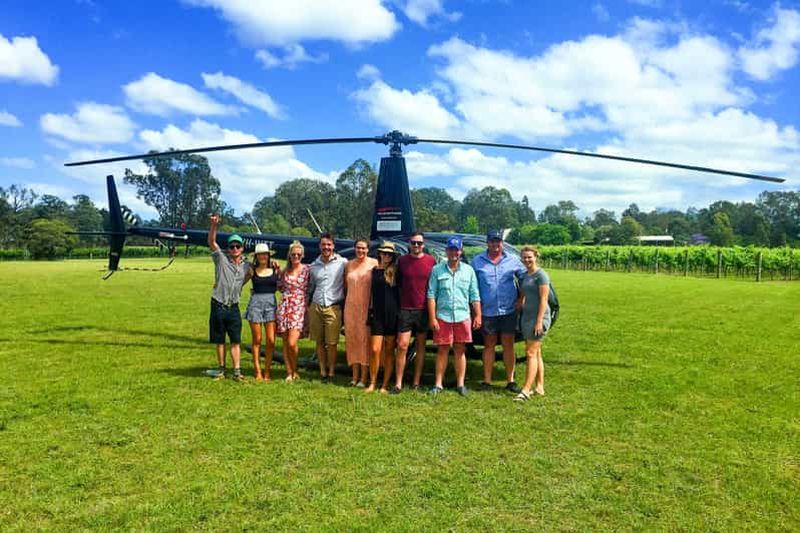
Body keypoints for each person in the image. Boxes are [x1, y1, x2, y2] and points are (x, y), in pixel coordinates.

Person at [472, 230, 526, 393]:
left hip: (508, 309)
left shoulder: (513, 261)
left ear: (502, 243)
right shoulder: (477, 261)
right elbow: (472, 286)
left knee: (508, 344)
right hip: (487, 310)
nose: (495, 245)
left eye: (498, 242)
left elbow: (526, 279)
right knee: (489, 344)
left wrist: (521, 299)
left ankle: (510, 380)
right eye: (492, 242)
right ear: (487, 243)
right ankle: (487, 381)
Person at [427, 236, 481, 396]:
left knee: (460, 350)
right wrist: (432, 318)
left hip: (462, 316)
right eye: (450, 249)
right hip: (443, 316)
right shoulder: (437, 270)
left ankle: (460, 384)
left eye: (456, 250)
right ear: (446, 251)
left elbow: (474, 295)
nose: (453, 253)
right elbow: (431, 295)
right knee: (442, 350)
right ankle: (438, 384)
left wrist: (478, 315)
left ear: (461, 251)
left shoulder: (468, 271)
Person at [207, 214, 249, 381]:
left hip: (233, 307)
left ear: (242, 248)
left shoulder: (246, 265)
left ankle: (237, 371)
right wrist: (213, 226)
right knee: (220, 340)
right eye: (231, 246)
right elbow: (211, 242)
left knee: (235, 341)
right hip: (218, 305)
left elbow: (257, 271)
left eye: (237, 246)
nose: (234, 249)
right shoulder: (221, 259)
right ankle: (222, 369)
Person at [393, 232, 436, 393]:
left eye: (419, 243)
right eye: (413, 243)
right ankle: (398, 382)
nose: (416, 246)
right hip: (405, 309)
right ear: (409, 243)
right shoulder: (402, 261)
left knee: (420, 345)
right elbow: (397, 283)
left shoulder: (431, 261)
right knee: (402, 345)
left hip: (423, 310)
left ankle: (416, 381)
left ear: (423, 244)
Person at [307, 233, 346, 383]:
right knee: (319, 341)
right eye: (323, 245)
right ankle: (322, 371)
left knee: (332, 343)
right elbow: (310, 287)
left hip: (333, 307)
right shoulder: (313, 265)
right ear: (319, 246)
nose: (326, 247)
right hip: (316, 306)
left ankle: (331, 372)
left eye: (329, 245)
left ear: (333, 246)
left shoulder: (342, 263)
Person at [515, 246, 551, 401]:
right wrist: (520, 302)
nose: (527, 260)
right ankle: (540, 386)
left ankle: (525, 389)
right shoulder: (525, 275)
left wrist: (539, 322)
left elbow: (544, 299)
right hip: (527, 317)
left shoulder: (541, 276)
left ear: (536, 257)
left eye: (529, 257)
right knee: (536, 353)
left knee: (530, 353)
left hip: (539, 319)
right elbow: (523, 291)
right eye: (524, 258)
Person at [366, 241, 401, 393]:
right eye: (384, 253)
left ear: (393, 256)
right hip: (377, 314)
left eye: (389, 254)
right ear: (379, 253)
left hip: (393, 315)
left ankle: (385, 384)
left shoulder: (397, 271)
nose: (386, 256)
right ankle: (372, 382)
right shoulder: (374, 271)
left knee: (389, 350)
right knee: (374, 350)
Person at [344, 238, 377, 387]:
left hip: (366, 308)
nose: (360, 251)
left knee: (364, 341)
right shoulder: (349, 265)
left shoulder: (374, 264)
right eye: (358, 248)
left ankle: (364, 378)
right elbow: (345, 286)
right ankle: (354, 376)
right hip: (350, 308)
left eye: (363, 248)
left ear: (368, 249)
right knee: (352, 340)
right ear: (354, 248)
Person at [243, 243, 279, 381]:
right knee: (257, 339)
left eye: (265, 254)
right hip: (255, 305)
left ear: (268, 255)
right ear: (256, 256)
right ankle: (258, 371)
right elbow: (239, 283)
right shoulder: (252, 270)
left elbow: (284, 282)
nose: (263, 256)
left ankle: (267, 371)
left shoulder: (275, 269)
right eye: (260, 254)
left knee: (270, 340)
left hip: (271, 304)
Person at [277, 241, 309, 382]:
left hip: (299, 307)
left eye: (298, 254)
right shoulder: (285, 271)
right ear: (289, 255)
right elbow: (280, 287)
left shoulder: (307, 270)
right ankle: (289, 371)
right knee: (285, 342)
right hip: (285, 306)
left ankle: (295, 369)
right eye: (293, 254)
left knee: (292, 342)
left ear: (302, 255)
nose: (296, 256)